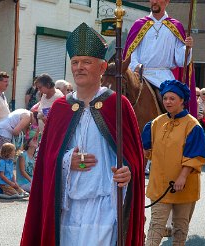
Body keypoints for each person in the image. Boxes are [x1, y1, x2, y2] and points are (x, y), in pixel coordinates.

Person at [21, 22, 145, 246]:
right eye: (75, 62)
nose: (79, 67)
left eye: (87, 62)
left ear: (102, 67)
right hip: (68, 209)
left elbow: (134, 158)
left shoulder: (118, 105)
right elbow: (45, 162)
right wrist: (67, 161)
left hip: (105, 207)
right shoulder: (60, 108)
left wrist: (129, 173)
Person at [142, 80, 205, 245]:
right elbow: (146, 151)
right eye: (165, 98)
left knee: (180, 229)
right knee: (155, 226)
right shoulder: (156, 123)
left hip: (183, 187)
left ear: (182, 101)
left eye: (172, 98)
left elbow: (194, 155)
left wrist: (182, 177)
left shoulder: (193, 126)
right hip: (159, 186)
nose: (167, 102)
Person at [123, 0, 197, 117]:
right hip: (141, 75)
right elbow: (131, 53)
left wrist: (187, 48)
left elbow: (180, 60)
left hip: (164, 76)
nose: (155, 2)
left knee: (173, 104)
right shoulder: (139, 24)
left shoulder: (175, 26)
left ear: (167, 2)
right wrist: (136, 67)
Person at [16, 126, 39, 193]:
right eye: (33, 140)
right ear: (28, 143)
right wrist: (32, 181)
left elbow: (34, 172)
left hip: (30, 182)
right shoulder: (22, 155)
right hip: (22, 183)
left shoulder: (33, 157)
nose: (36, 141)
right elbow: (22, 171)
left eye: (36, 140)